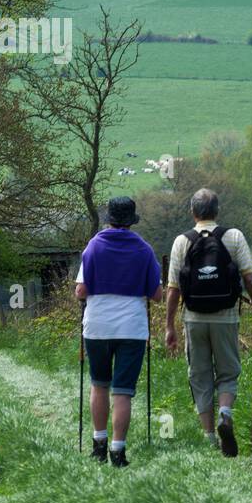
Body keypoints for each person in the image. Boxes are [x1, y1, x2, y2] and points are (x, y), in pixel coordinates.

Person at [165, 188, 252, 458]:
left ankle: (209, 437)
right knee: (228, 371)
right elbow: (249, 277)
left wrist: (169, 325)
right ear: (217, 211)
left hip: (193, 319)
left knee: (200, 375)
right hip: (226, 316)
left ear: (192, 212)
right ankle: (225, 414)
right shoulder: (234, 236)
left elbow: (173, 288)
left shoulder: (182, 242)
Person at [75, 196, 163, 468]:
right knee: (123, 391)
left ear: (109, 218)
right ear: (132, 220)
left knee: (99, 384)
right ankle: (118, 450)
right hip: (132, 328)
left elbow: (81, 290)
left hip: (98, 325)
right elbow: (157, 295)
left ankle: (98, 444)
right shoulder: (144, 250)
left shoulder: (93, 247)